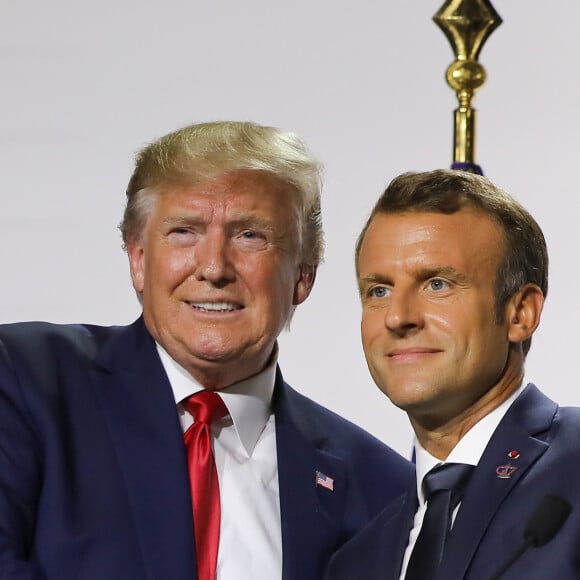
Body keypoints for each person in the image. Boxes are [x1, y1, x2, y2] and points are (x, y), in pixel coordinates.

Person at [0, 121, 413, 580]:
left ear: (303, 275)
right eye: (184, 231)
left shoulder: (379, 489)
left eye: (250, 235)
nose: (214, 267)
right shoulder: (24, 381)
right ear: (138, 259)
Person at [325, 169, 580, 580]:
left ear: (520, 313)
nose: (398, 317)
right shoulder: (355, 563)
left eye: (437, 284)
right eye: (378, 290)